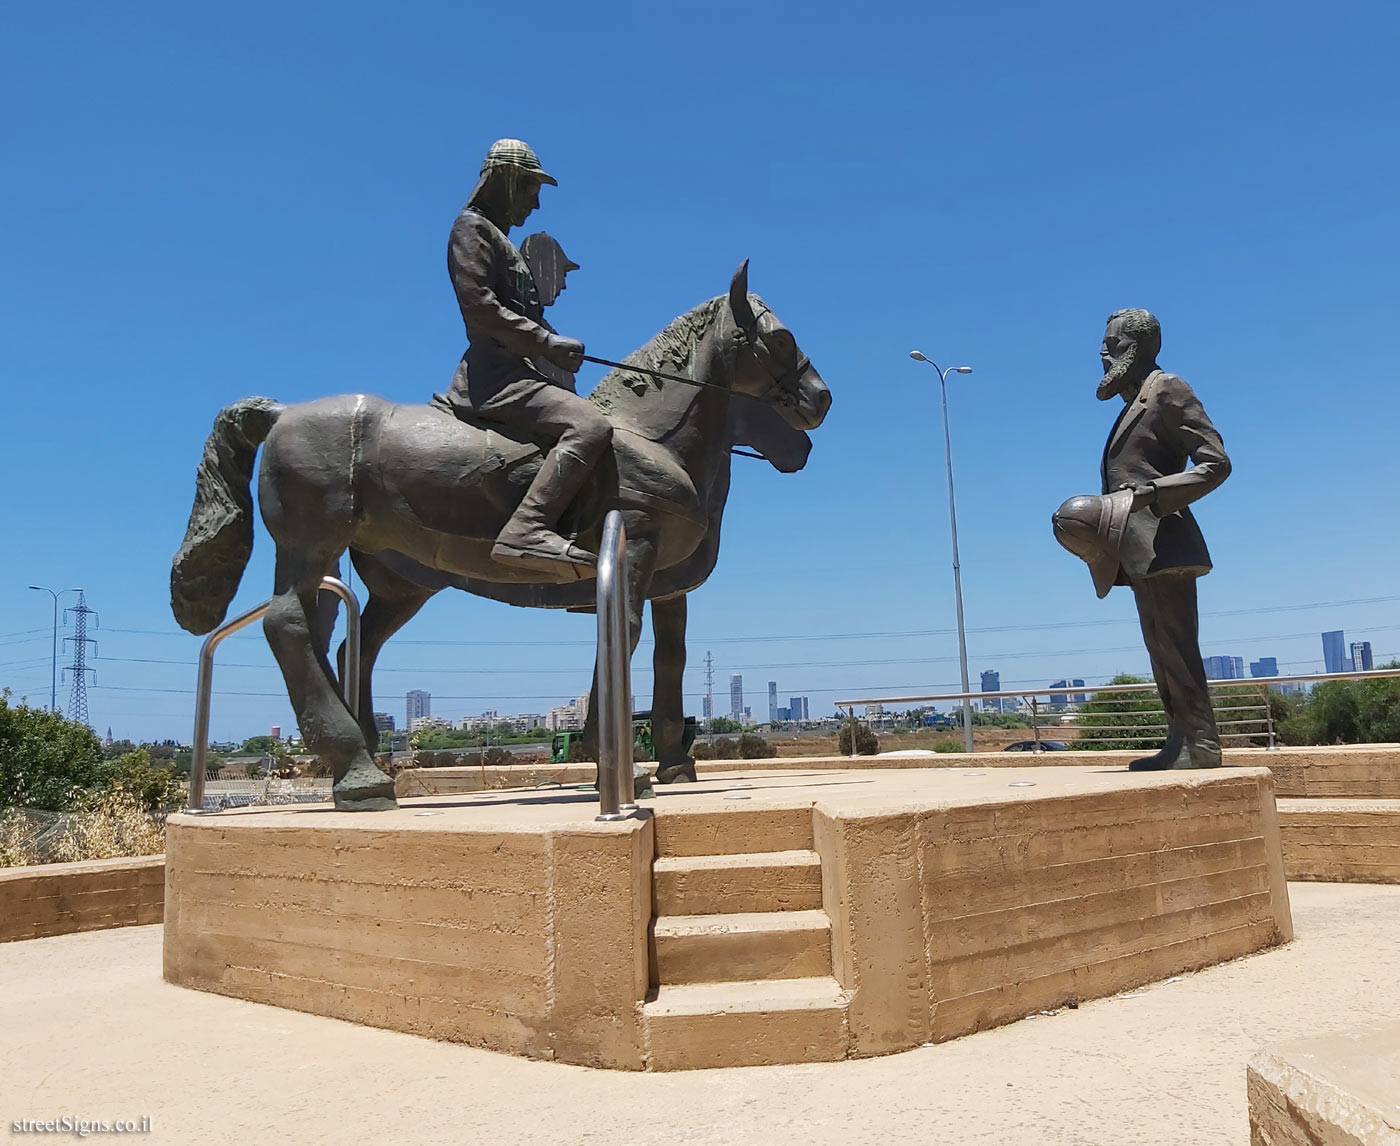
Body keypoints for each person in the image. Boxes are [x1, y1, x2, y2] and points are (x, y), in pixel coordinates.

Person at [1053, 308, 1232, 769]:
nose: (1101, 352)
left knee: (1176, 648)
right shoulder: (1133, 404)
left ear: (1136, 347)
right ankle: (1181, 741)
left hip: (1166, 543)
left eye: (1110, 343)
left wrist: (1154, 493)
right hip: (1136, 552)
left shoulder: (1168, 389)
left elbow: (1215, 463)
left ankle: (1201, 747)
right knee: (1160, 652)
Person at [434, 139, 610, 578]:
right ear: (505, 181)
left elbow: (518, 312)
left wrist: (551, 341)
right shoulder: (471, 229)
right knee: (590, 426)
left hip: (519, 371)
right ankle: (526, 529)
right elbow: (479, 306)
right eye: (531, 188)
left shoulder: (500, 240)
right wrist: (545, 343)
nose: (534, 202)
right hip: (496, 378)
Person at [519, 231, 581, 390]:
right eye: (562, 273)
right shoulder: (514, 318)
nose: (563, 285)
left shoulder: (543, 329)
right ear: (543, 268)